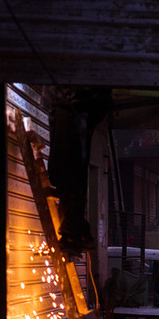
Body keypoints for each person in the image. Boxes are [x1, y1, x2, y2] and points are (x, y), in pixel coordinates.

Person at [44, 85, 112, 256]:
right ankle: (78, 229)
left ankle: (74, 232)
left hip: (77, 102)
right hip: (66, 103)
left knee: (67, 168)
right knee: (60, 169)